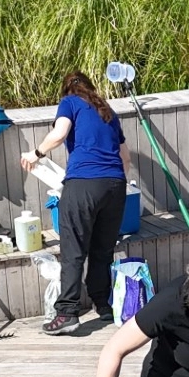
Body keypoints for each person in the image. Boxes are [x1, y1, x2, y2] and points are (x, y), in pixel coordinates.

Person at [21, 72, 129, 334]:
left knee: (73, 251)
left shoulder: (69, 102)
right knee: (103, 250)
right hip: (115, 186)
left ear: (67, 89)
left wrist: (35, 154)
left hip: (83, 184)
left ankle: (67, 313)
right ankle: (103, 305)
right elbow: (125, 157)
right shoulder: (107, 111)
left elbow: (59, 134)